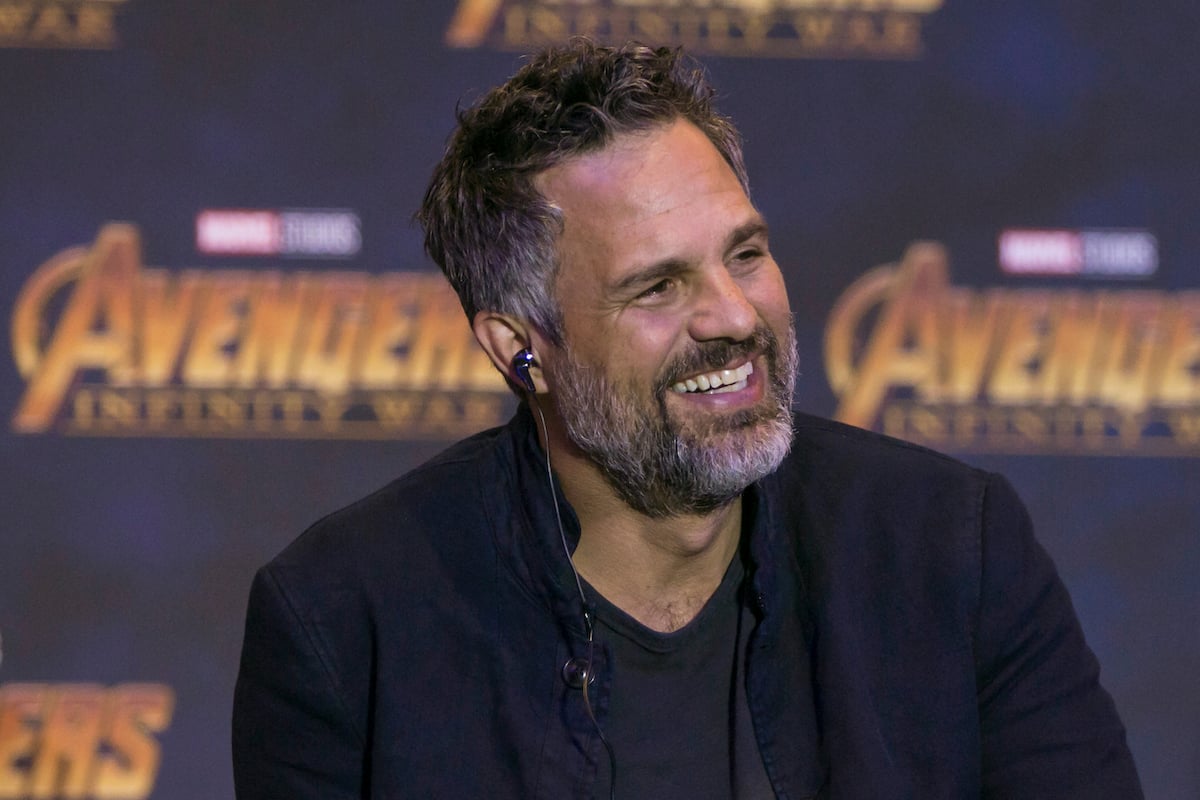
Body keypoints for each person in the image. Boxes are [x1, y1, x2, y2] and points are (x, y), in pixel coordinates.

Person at [232, 39, 1142, 799]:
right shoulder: (345, 619)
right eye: (658, 286)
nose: (735, 317)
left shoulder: (951, 549)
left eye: (744, 254)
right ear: (520, 348)